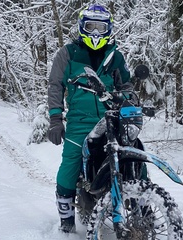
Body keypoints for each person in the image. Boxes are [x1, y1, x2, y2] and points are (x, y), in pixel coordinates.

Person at [47, 4, 131, 234]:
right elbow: (55, 85)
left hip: (112, 119)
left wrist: (129, 103)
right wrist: (56, 119)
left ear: (108, 29)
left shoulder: (115, 56)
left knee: (131, 154)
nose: (95, 33)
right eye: (91, 26)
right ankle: (66, 217)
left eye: (100, 27)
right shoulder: (68, 54)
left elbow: (126, 86)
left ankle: (141, 204)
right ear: (82, 27)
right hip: (80, 120)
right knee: (71, 162)